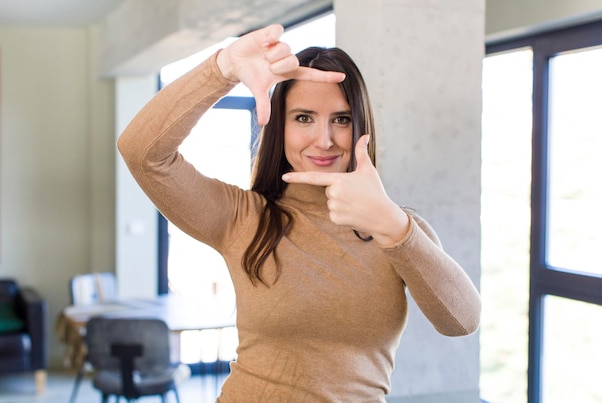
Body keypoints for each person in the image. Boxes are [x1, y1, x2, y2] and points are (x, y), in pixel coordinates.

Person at [118, 23, 481, 402]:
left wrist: (393, 227)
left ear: (360, 127)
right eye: (303, 118)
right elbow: (141, 152)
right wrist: (222, 68)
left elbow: (461, 321)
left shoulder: (395, 228)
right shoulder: (243, 218)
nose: (323, 140)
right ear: (280, 125)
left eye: (340, 119)